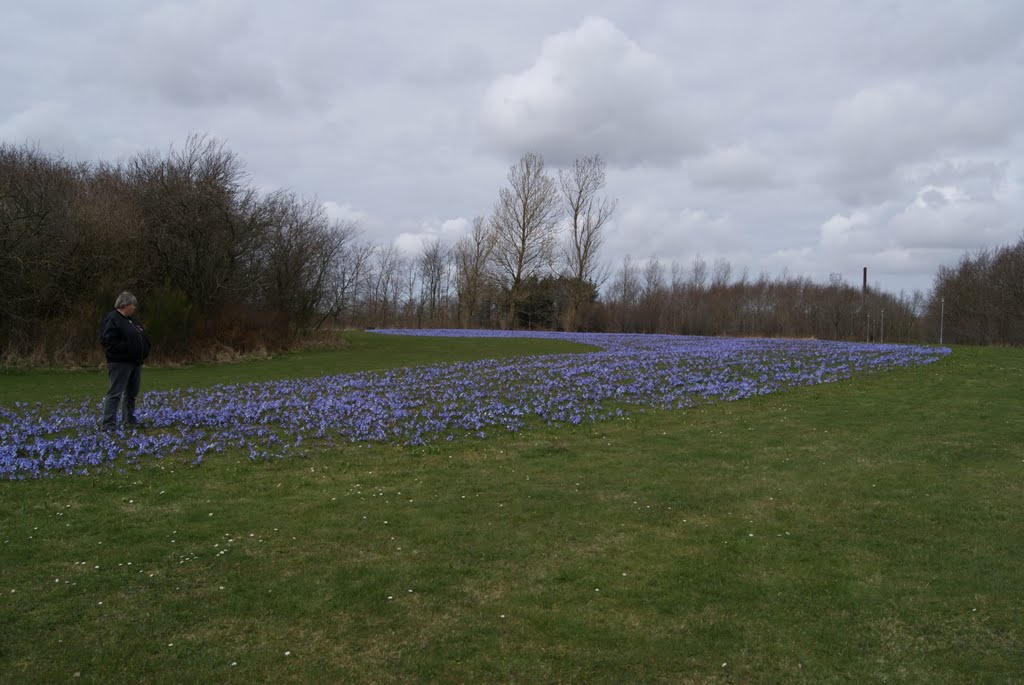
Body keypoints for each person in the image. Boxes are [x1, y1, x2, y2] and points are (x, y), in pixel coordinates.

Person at [98, 291, 151, 430]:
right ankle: (108, 424)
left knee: (131, 393)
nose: (135, 308)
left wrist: (145, 348)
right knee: (115, 393)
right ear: (125, 305)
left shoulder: (131, 320)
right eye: (133, 305)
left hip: (135, 362)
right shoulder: (113, 319)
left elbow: (140, 336)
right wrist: (127, 348)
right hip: (120, 362)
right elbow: (107, 341)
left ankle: (129, 420)